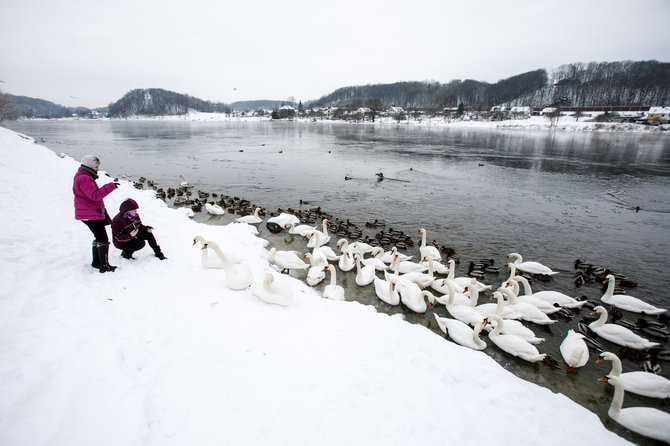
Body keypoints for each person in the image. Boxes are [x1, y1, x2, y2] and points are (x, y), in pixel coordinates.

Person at [73, 155, 119, 273]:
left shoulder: (83, 176)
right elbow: (95, 196)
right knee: (103, 238)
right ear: (89, 166)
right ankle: (104, 266)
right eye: (96, 167)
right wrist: (110, 186)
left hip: (88, 212)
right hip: (89, 214)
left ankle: (97, 262)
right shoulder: (84, 178)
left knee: (98, 237)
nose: (97, 169)